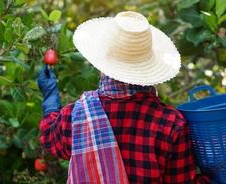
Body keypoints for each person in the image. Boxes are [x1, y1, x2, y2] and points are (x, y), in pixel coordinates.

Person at [38, 11, 211, 183]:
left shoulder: (76, 116)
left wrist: (50, 99)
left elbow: (49, 138)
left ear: (103, 63)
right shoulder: (171, 124)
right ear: (149, 68)